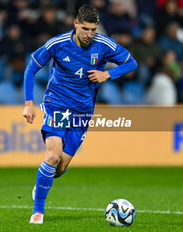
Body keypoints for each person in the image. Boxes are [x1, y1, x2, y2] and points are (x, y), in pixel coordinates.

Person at [22, 4, 137, 224]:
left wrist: (108, 74)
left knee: (60, 166)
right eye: (85, 28)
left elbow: (132, 63)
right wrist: (29, 104)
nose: (89, 34)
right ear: (76, 23)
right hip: (57, 106)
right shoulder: (58, 44)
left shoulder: (103, 45)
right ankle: (38, 211)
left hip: (82, 113)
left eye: (93, 29)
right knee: (53, 155)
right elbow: (31, 68)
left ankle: (42, 182)